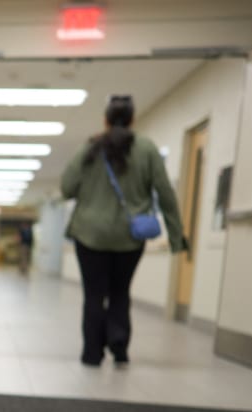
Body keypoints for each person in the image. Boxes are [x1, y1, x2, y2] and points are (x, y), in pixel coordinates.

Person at [60, 95, 185, 367]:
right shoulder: (147, 149)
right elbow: (165, 193)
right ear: (132, 120)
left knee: (94, 295)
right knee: (120, 292)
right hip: (130, 237)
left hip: (89, 234)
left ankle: (92, 353)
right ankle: (119, 347)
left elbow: (67, 187)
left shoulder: (91, 148)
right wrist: (176, 236)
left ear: (105, 120)